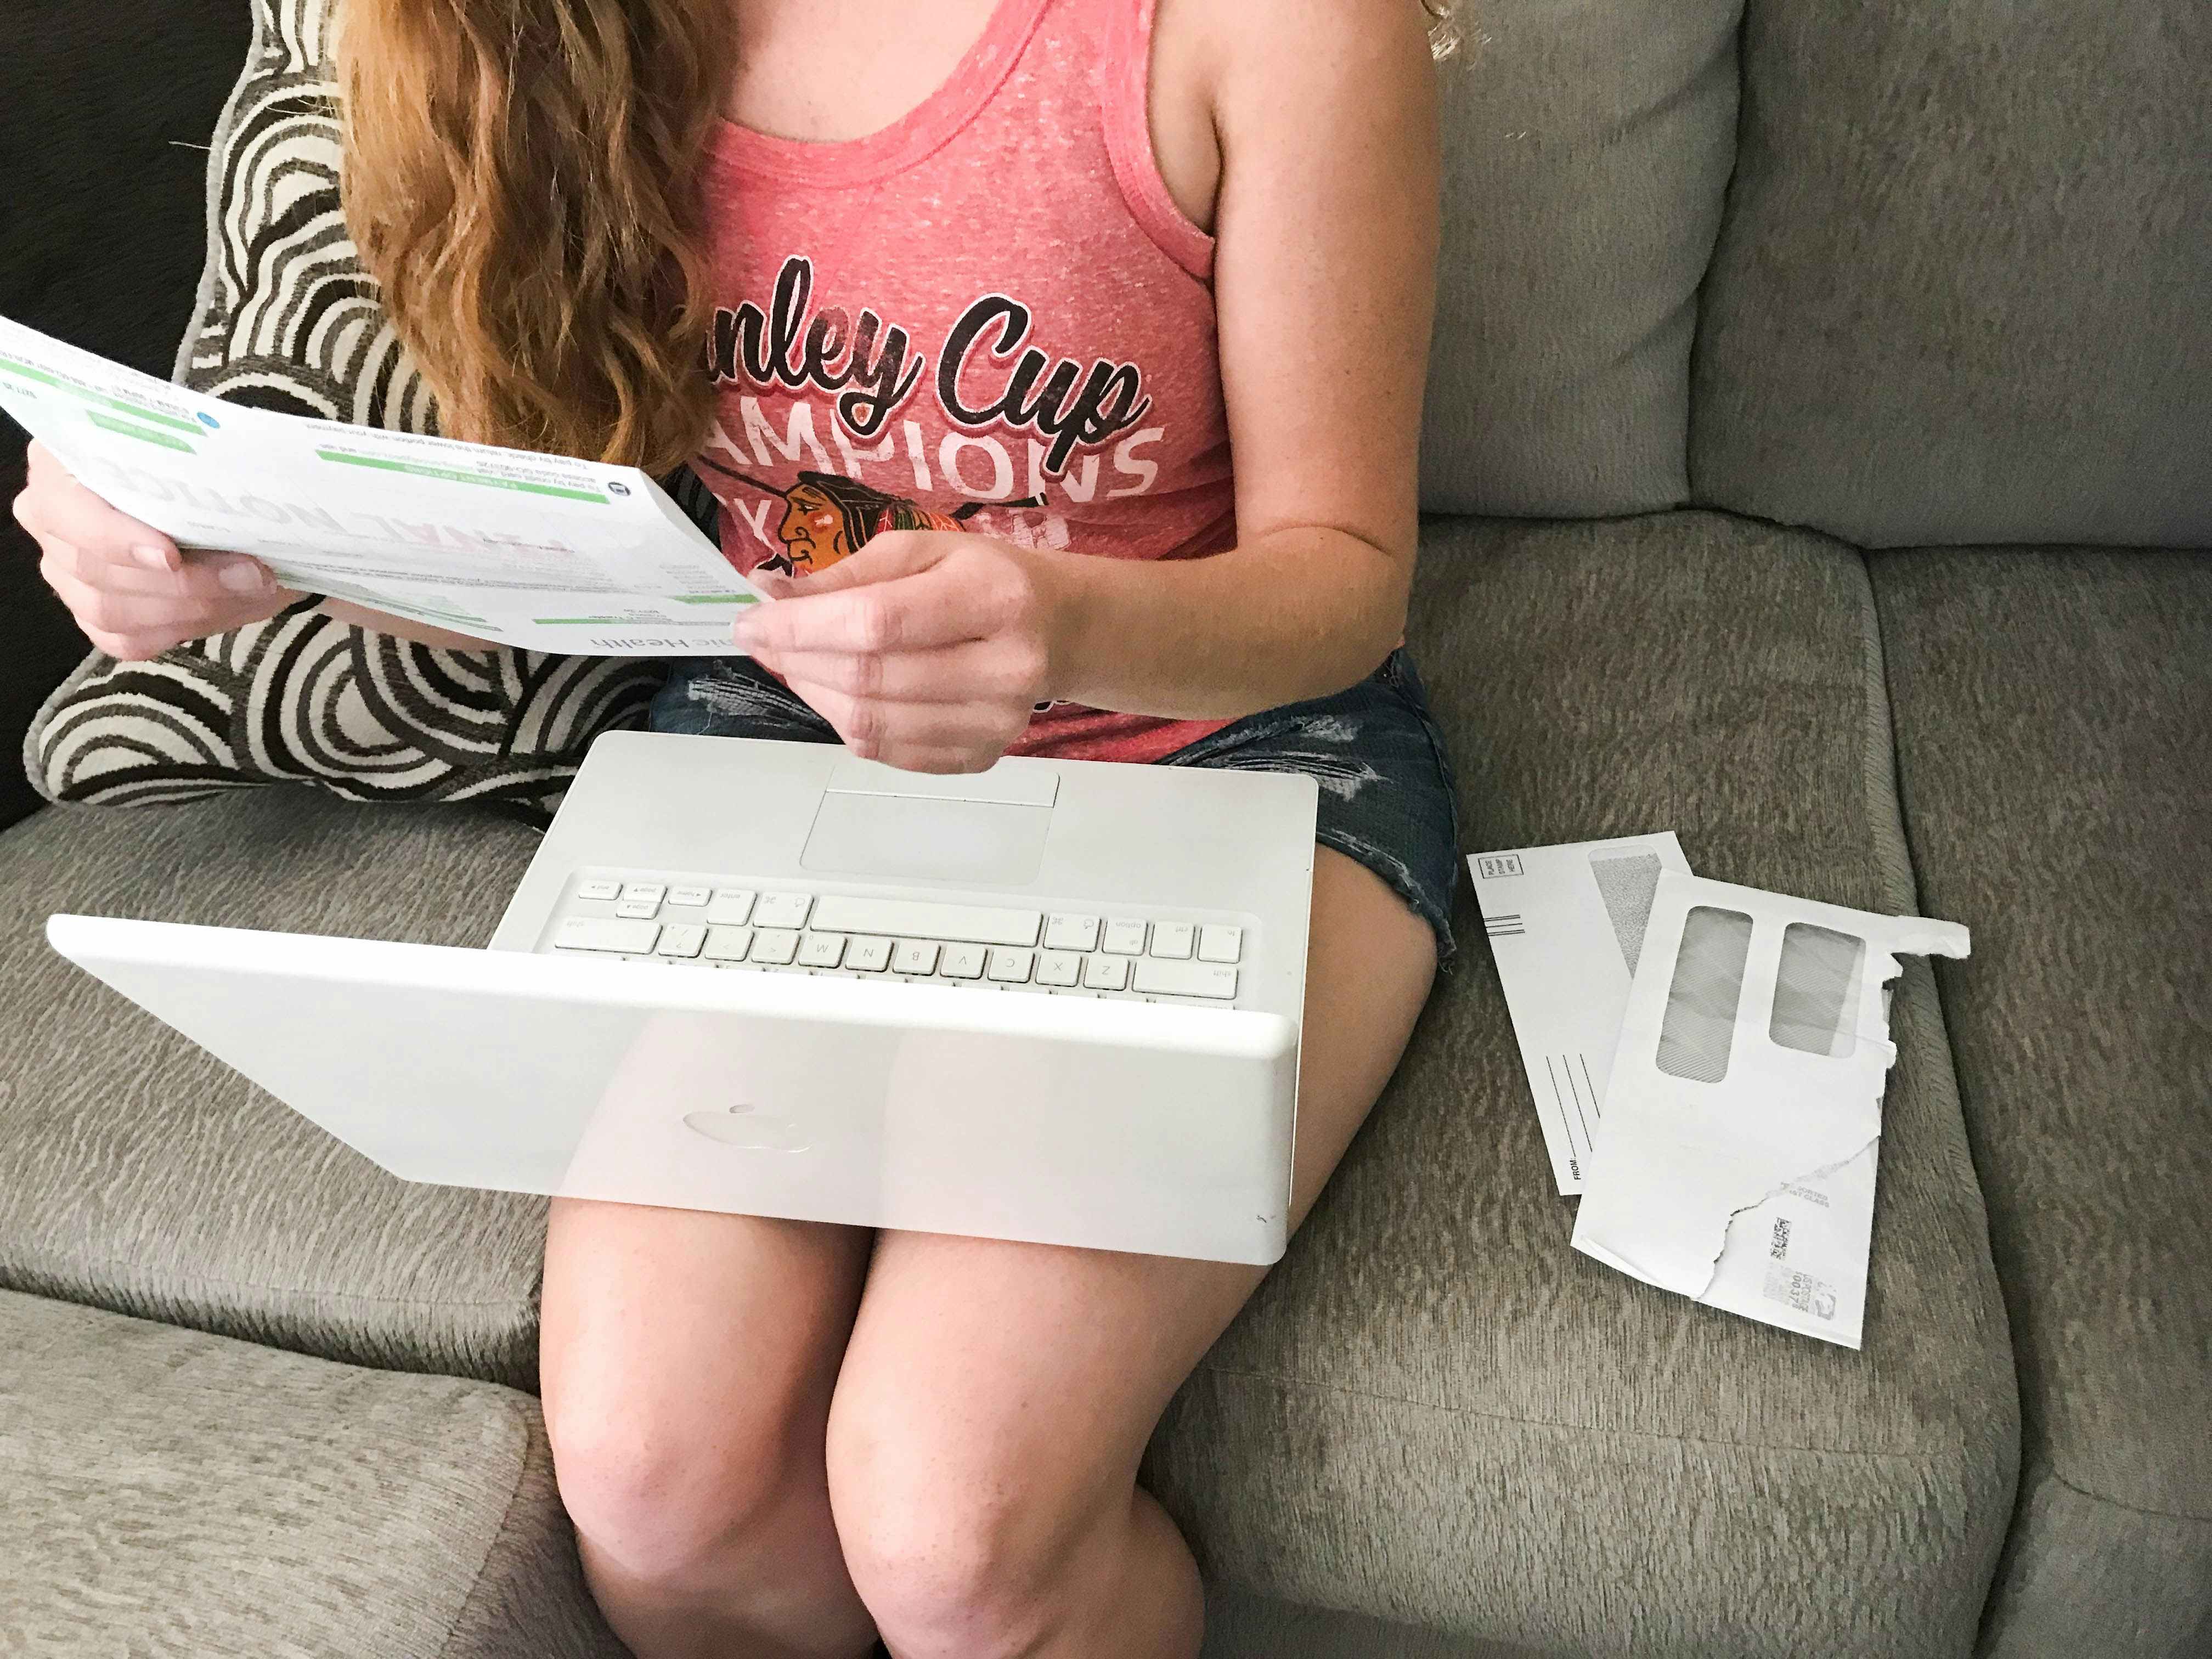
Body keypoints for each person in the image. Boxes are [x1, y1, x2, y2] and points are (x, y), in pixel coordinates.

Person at [12, 0, 1458, 1652]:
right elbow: (573, 547)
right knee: (650, 1478)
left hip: (1226, 748)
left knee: (956, 1531)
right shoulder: (530, 29)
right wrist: (243, 550)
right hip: (783, 737)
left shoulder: (1269, 29)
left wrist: (1053, 625)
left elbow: (1342, 579)